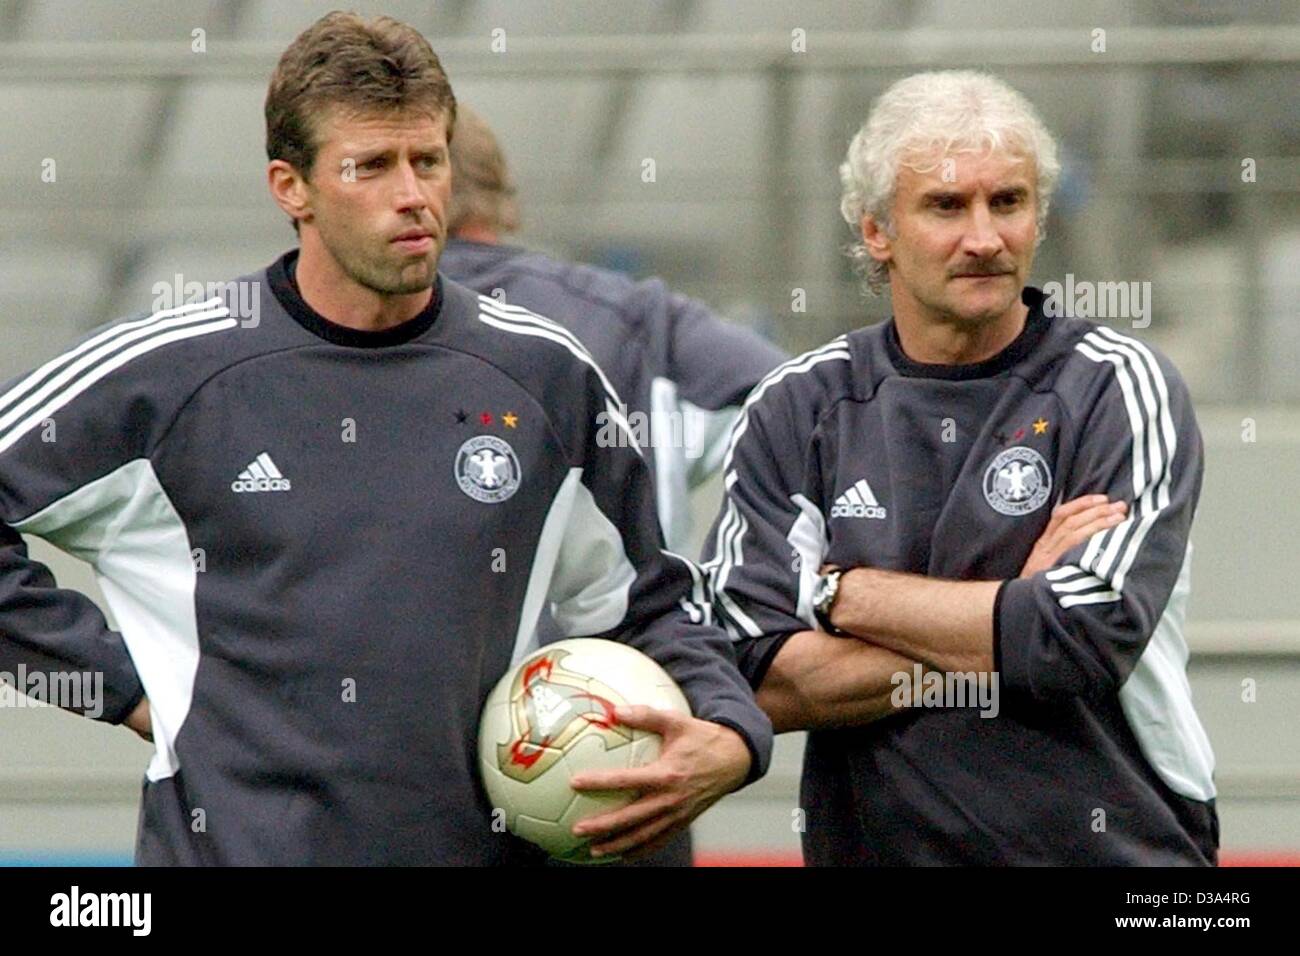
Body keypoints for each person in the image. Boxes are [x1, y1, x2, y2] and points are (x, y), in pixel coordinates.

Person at [0, 11, 771, 865]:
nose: (413, 195)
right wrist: (123, 691)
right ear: (290, 186)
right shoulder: (170, 375)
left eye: (428, 161)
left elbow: (648, 604)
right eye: (371, 166)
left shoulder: (546, 376)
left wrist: (733, 733)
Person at [703, 70, 1217, 865]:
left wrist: (846, 594)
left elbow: (1079, 640)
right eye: (946, 206)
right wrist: (1010, 606)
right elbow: (758, 681)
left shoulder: (1118, 385)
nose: (984, 237)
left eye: (1007, 202)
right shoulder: (796, 409)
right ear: (877, 230)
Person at [440, 106, 788, 557]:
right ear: (501, 191)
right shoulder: (629, 313)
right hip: (634, 622)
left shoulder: (339, 325)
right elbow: (802, 396)